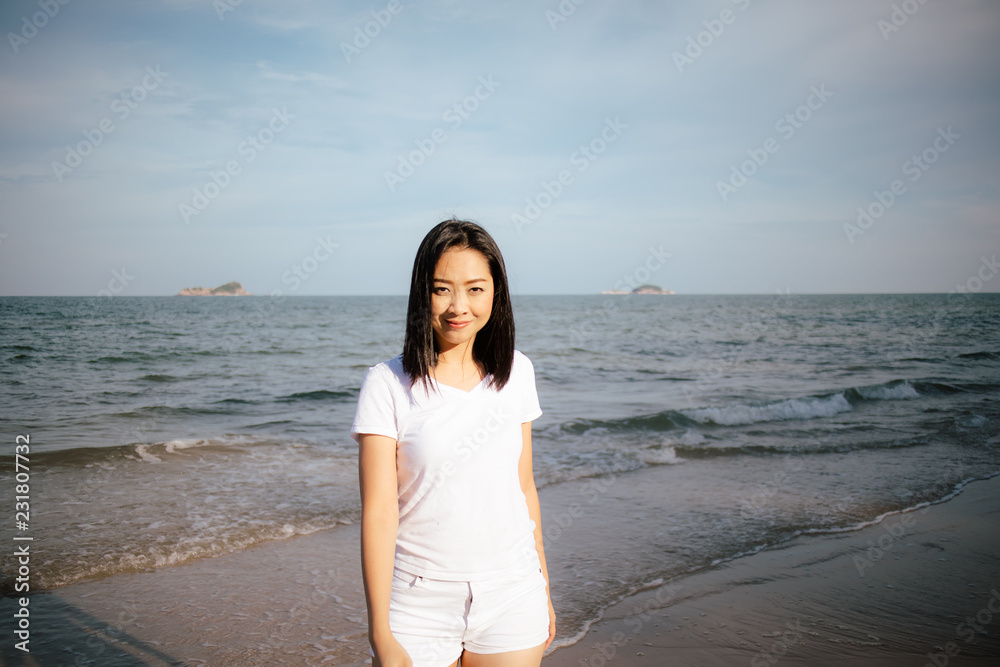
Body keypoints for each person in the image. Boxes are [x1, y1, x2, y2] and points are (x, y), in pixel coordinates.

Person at [351, 219, 556, 667]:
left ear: (495, 292)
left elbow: (524, 487)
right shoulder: (386, 383)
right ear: (421, 293)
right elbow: (380, 513)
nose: (458, 306)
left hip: (512, 592)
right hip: (417, 601)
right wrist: (380, 633)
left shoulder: (517, 372)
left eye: (475, 289)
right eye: (442, 289)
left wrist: (543, 588)